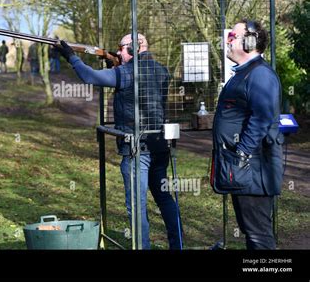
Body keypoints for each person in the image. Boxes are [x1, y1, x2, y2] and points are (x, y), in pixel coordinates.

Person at [54, 34, 181, 249]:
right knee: (164, 198)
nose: (119, 52)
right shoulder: (162, 70)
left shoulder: (125, 72)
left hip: (136, 149)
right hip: (159, 145)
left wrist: (71, 56)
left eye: (121, 48)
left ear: (132, 49)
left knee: (137, 206)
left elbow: (89, 77)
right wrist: (115, 66)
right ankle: (177, 245)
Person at [210, 19, 283, 249]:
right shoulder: (245, 74)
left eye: (233, 36)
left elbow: (261, 119)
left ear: (250, 42)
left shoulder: (260, 75)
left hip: (254, 172)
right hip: (244, 170)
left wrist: (241, 155)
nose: (227, 40)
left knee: (259, 236)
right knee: (252, 233)